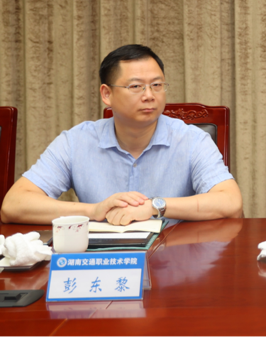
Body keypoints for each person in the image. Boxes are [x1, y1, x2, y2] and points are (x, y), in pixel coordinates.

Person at [0, 44, 242, 225]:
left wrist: (155, 206)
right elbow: (13, 205)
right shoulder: (76, 141)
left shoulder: (191, 140)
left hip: (174, 258)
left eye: (157, 85)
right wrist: (94, 211)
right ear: (107, 94)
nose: (149, 95)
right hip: (100, 260)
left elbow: (230, 202)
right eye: (136, 86)